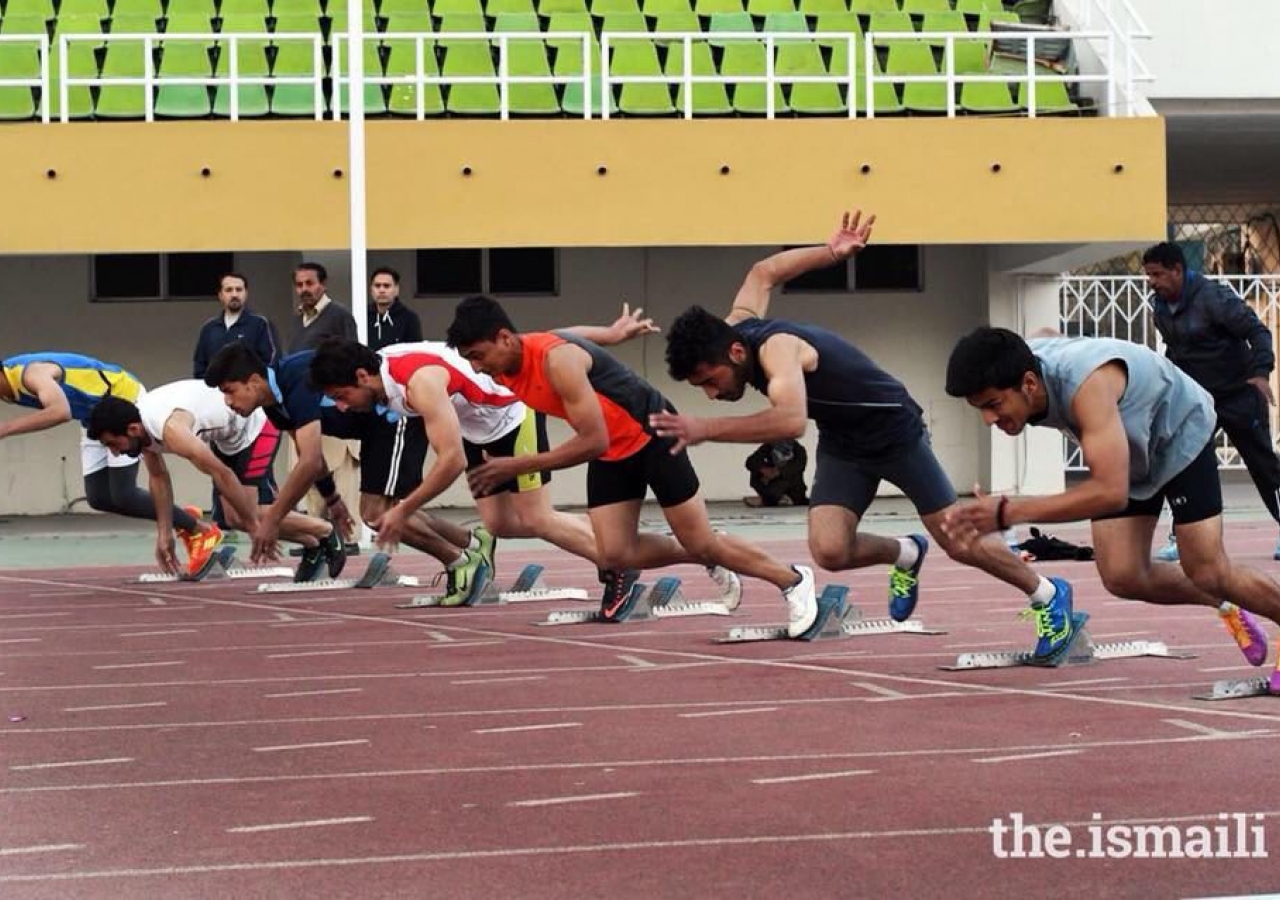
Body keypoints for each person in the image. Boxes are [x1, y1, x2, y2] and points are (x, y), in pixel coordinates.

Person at [658, 210, 1076, 664]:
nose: (711, 393)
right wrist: (830, 252)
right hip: (844, 441)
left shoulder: (778, 350)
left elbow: (790, 421)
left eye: (710, 380)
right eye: (700, 389)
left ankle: (1048, 593)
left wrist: (704, 430)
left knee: (957, 541)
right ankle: (905, 553)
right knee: (830, 551)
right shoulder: (737, 325)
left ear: (735, 353)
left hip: (894, 430)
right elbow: (765, 271)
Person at [447, 296, 815, 635]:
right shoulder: (519, 355)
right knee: (615, 554)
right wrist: (612, 333)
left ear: (505, 338)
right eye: (470, 361)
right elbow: (573, 335)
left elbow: (593, 441)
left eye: (479, 356)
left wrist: (519, 465)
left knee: (701, 542)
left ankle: (793, 580)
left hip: (652, 433)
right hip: (613, 451)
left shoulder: (557, 361)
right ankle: (706, 550)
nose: (477, 368)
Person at [943, 328, 1276, 681]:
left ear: (1028, 383)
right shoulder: (1027, 359)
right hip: (1125, 449)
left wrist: (1007, 511)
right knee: (1123, 576)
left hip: (1178, 433)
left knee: (1208, 570)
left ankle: (1227, 590)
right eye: (979, 409)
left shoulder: (1088, 387)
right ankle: (1224, 601)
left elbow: (1110, 493)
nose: (988, 420)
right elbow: (1046, 335)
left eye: (993, 405)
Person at [307, 305, 667, 607]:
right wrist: (609, 332)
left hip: (514, 415)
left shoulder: (420, 383)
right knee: (501, 525)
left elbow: (451, 462)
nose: (340, 406)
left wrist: (402, 509)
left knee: (536, 518)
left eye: (341, 395)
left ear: (360, 376)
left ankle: (617, 566)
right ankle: (609, 535)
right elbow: (543, 334)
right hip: (478, 432)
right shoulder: (380, 365)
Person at [206, 341, 492, 605]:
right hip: (370, 429)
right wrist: (333, 500)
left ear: (253, 382)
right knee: (385, 511)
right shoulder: (275, 409)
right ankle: (473, 543)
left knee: (377, 513)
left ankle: (459, 561)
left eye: (229, 391)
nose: (228, 402)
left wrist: (272, 520)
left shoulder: (295, 380)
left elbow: (308, 461)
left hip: (389, 417)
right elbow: (314, 461)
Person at [87, 381, 346, 582]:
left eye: (113, 444)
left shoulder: (171, 430)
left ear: (132, 429)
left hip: (256, 427)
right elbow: (158, 477)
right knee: (232, 519)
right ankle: (312, 544)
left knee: (250, 513)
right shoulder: (140, 430)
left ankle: (325, 531)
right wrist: (165, 533)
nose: (115, 453)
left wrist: (255, 527)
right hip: (227, 439)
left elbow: (222, 474)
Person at [0, 351, 212, 568]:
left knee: (123, 494)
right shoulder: (6, 385)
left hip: (122, 401)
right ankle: (179, 515)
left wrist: (5, 429)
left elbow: (60, 411)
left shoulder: (31, 374)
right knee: (98, 497)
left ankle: (199, 530)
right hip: (93, 418)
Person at [1142, 242, 1280, 562]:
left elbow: (1258, 332)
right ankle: (1182, 536)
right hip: (1199, 400)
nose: (1152, 281)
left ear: (1177, 270)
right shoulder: (1159, 306)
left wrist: (1261, 372)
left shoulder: (1214, 298)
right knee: (1184, 463)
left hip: (1239, 394)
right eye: (1148, 275)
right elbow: (1175, 352)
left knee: (1263, 466)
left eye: (1157, 274)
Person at [285, 261, 360, 523]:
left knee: (339, 472)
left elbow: (352, 359)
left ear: (322, 284)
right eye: (299, 284)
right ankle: (321, 538)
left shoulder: (339, 316)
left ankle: (346, 536)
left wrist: (344, 400)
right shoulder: (299, 320)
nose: (304, 289)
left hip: (332, 407)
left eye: (310, 283)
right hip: (304, 408)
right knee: (310, 472)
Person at [192, 272, 280, 379]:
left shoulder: (260, 324)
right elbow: (199, 366)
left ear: (246, 293)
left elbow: (271, 362)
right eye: (229, 290)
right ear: (220, 295)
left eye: (239, 290)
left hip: (249, 392)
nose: (234, 294)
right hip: (214, 393)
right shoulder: (209, 328)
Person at [367, 267, 423, 351]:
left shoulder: (409, 318)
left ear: (396, 290)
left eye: (386, 286)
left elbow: (415, 352)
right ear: (371, 290)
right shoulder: (362, 315)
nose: (381, 290)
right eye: (377, 286)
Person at [744, 439, 809, 508]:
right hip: (771, 483)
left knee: (790, 478)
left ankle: (781, 498)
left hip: (791, 487)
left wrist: (777, 472)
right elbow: (751, 461)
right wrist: (763, 470)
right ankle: (772, 498)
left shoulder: (798, 450)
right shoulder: (769, 446)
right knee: (756, 470)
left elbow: (797, 466)